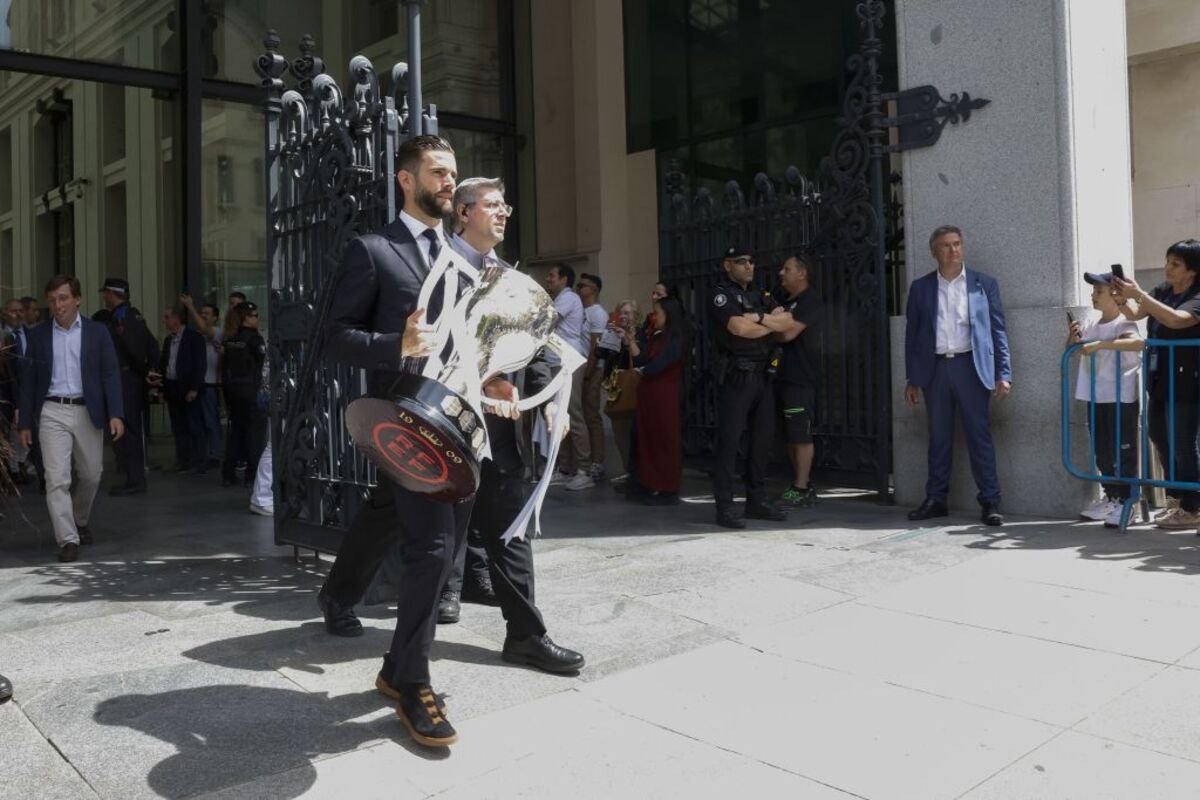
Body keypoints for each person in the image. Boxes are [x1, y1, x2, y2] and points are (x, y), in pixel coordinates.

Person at [316, 135, 515, 748]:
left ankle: (391, 663)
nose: (450, 182)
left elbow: (478, 339)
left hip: (462, 423)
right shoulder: (374, 251)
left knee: (437, 541)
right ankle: (410, 681)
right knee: (432, 549)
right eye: (438, 172)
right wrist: (393, 347)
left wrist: (499, 377)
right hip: (405, 425)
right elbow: (332, 337)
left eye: (455, 173)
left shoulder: (469, 258)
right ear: (407, 180)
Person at [431, 175, 585, 672]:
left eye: (506, 206)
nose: (503, 213)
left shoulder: (515, 282)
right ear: (463, 212)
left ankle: (525, 635)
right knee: (419, 520)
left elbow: (537, 343)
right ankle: (347, 594)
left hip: (499, 427)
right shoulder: (435, 266)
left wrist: (547, 401)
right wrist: (483, 379)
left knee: (511, 527)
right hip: (443, 419)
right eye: (493, 205)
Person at [904, 225, 1012, 526]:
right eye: (946, 246)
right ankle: (936, 498)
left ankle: (990, 500)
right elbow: (912, 336)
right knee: (938, 437)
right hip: (934, 370)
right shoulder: (920, 288)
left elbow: (998, 330)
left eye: (957, 244)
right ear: (933, 251)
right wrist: (911, 378)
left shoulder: (983, 284)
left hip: (971, 368)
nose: (954, 250)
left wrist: (1004, 373)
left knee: (979, 436)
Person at [17, 275, 124, 562]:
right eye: (52, 300)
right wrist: (25, 422)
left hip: (87, 409)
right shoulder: (38, 335)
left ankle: (79, 518)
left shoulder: (97, 332)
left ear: (77, 299)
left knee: (91, 474)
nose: (57, 305)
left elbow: (110, 374)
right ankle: (67, 539)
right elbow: (28, 381)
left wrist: (116, 413)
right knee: (56, 478)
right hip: (51, 411)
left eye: (63, 298)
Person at [1111, 239, 1200, 530]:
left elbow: (1176, 320)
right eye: (1167, 261)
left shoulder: (1197, 296)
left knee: (1183, 443)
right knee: (1160, 437)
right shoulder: (1162, 290)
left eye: (1176, 264)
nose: (1167, 268)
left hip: (1187, 381)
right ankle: (1178, 496)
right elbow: (1137, 314)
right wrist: (1124, 299)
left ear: (1193, 270)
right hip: (1160, 379)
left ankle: (1193, 505)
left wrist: (1139, 295)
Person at [708, 245, 791, 529]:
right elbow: (738, 329)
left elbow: (788, 325)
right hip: (736, 377)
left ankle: (756, 500)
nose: (748, 266)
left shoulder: (762, 295)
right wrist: (769, 322)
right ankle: (725, 506)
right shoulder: (721, 295)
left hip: (763, 377)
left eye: (751, 261)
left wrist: (757, 320)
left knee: (762, 441)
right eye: (741, 261)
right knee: (730, 442)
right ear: (727, 265)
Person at [1067, 271, 1143, 528]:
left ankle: (1128, 500)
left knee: (1124, 449)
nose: (1094, 296)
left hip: (1120, 396)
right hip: (1094, 396)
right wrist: (1074, 339)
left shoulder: (1124, 323)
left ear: (1115, 295)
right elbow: (1075, 352)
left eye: (1099, 291)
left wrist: (1101, 345)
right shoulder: (1091, 325)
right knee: (1102, 449)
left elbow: (1136, 344)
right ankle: (1111, 495)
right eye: (1094, 291)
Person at [95, 278, 159, 496]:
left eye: (106, 293)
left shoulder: (121, 317)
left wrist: (143, 371)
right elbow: (152, 344)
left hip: (126, 380)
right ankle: (134, 478)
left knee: (129, 432)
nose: (104, 297)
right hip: (133, 379)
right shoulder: (135, 314)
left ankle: (135, 481)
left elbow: (131, 349)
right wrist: (151, 370)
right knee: (131, 430)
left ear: (114, 294)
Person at [627, 295, 687, 504]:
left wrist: (642, 370)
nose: (654, 316)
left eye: (658, 313)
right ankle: (648, 482)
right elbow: (641, 358)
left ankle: (668, 488)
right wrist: (630, 340)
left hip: (664, 396)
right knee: (648, 439)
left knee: (664, 440)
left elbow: (655, 366)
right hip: (650, 395)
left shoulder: (676, 339)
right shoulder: (658, 336)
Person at [774, 255, 823, 507]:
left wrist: (766, 322)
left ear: (802, 273)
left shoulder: (810, 300)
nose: (781, 272)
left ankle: (801, 487)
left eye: (787, 268)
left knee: (801, 434)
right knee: (790, 435)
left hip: (800, 379)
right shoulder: (785, 303)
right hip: (781, 377)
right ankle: (798, 482)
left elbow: (786, 333)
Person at [544, 263, 593, 490]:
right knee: (558, 414)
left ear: (564, 279)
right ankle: (565, 468)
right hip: (557, 362)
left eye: (553, 276)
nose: (548, 279)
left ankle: (584, 469)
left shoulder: (568, 299)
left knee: (572, 413)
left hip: (567, 362)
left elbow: (546, 320)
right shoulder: (559, 298)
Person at [154, 307, 207, 473]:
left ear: (176, 319)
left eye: (167, 317)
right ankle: (182, 459)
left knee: (194, 425)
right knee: (178, 426)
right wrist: (161, 388)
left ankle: (199, 461)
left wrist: (194, 388)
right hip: (172, 386)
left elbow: (200, 364)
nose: (165, 321)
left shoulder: (194, 337)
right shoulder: (169, 340)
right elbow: (165, 363)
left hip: (188, 387)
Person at [221, 303, 267, 489]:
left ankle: (228, 473)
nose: (258, 318)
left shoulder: (231, 340)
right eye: (255, 315)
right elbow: (263, 362)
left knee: (236, 433)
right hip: (251, 391)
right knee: (255, 435)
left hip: (233, 392)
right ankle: (252, 475)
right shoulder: (255, 340)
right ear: (246, 318)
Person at [181, 294, 224, 468]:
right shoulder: (195, 335)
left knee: (210, 421)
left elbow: (206, 330)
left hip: (209, 384)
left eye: (207, 313)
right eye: (202, 312)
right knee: (196, 422)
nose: (204, 315)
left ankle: (214, 454)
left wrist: (190, 307)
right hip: (196, 384)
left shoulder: (218, 332)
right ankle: (201, 455)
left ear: (215, 317)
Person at [601, 299, 639, 485]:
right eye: (620, 313)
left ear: (635, 316)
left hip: (633, 388)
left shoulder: (640, 335)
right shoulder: (613, 333)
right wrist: (607, 336)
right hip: (616, 388)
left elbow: (639, 358)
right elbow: (599, 355)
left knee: (634, 432)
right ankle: (627, 469)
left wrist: (627, 340)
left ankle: (637, 472)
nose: (623, 316)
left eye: (627, 313)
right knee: (619, 432)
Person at [577, 273, 608, 482]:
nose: (579, 289)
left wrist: (588, 374)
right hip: (581, 368)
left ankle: (597, 462)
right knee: (582, 414)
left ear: (594, 290)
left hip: (593, 369)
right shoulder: (580, 310)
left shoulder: (597, 313)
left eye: (583, 286)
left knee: (591, 415)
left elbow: (595, 346)